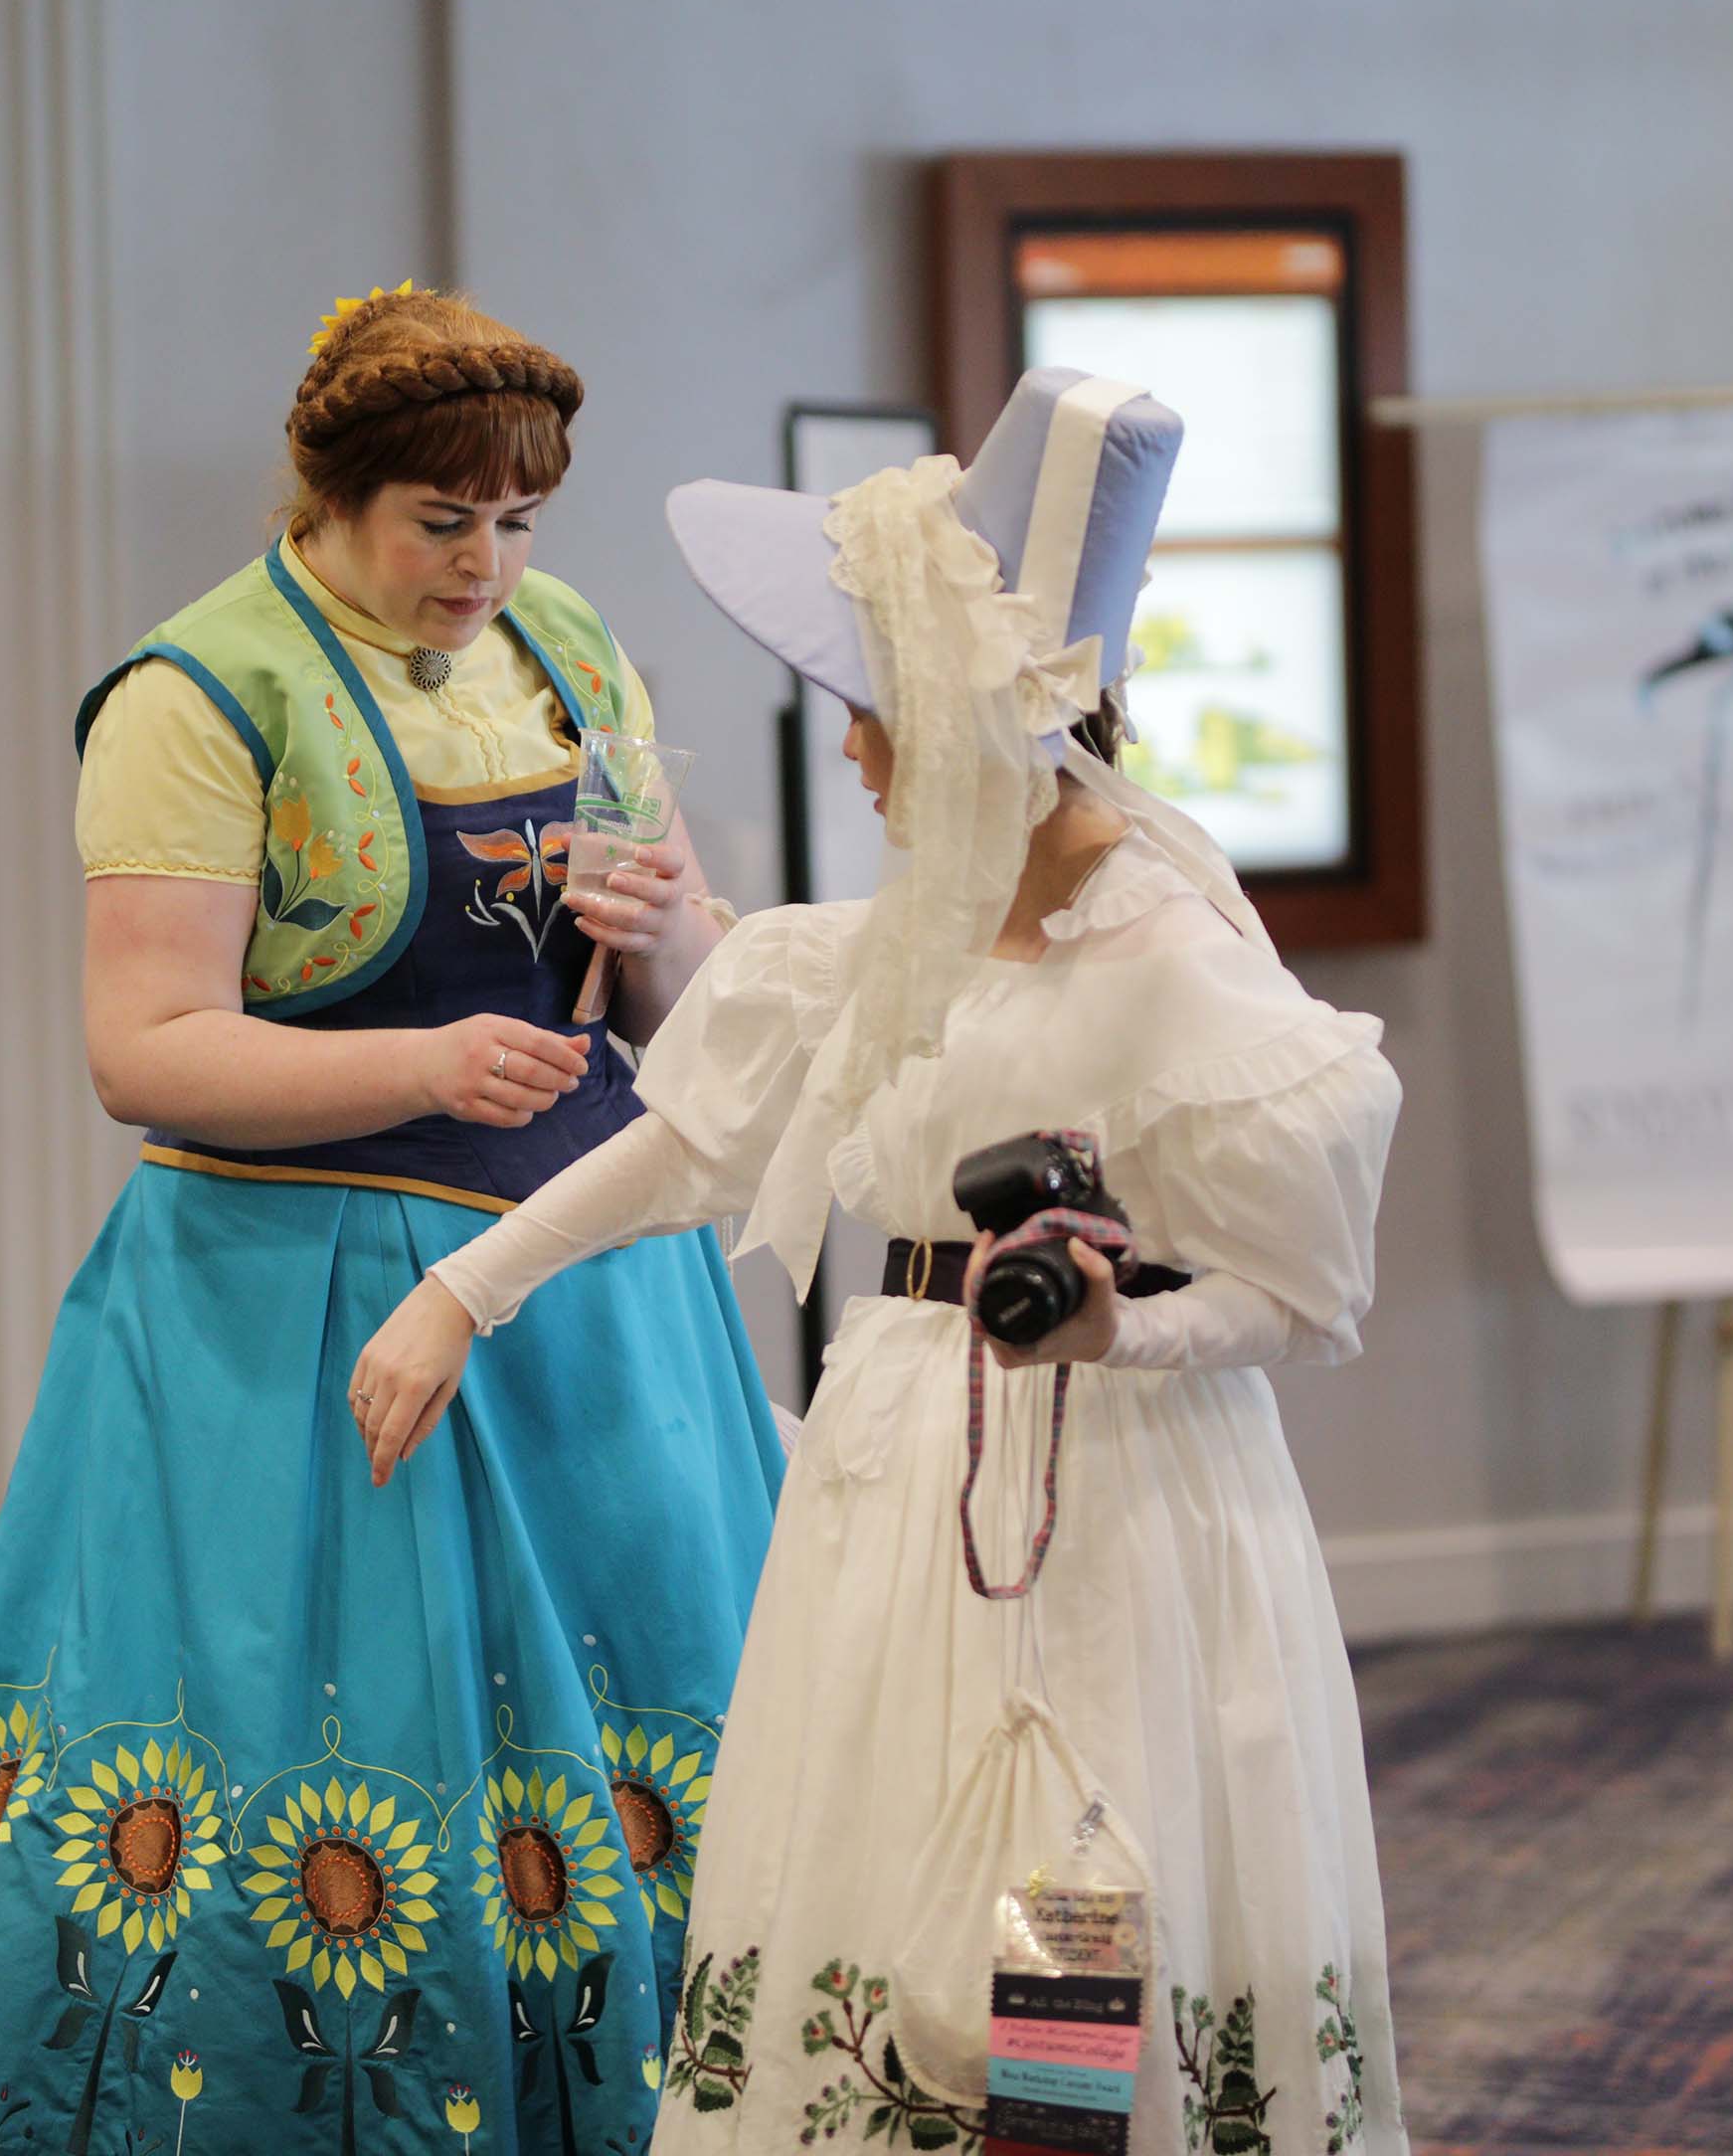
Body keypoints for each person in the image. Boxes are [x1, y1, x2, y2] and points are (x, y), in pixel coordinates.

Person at [0, 286, 786, 2154]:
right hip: (307, 1304)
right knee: (351, 1733)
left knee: (665, 1704)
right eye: (443, 522)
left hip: (593, 1296)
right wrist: (421, 1070)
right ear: (329, 497)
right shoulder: (200, 693)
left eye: (518, 522)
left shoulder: (568, 648)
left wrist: (666, 944)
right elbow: (143, 1049)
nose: (486, 564)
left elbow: (691, 1005)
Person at [358, 369, 1410, 2152]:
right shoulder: (901, 942)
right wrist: (467, 1287)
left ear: (969, 719)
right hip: (899, 1467)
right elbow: (690, 1142)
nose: (850, 752)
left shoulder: (1165, 958)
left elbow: (1304, 1299)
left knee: (1068, 1854)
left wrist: (1113, 1333)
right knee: (893, 1843)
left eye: (872, 712)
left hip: (1096, 1498)